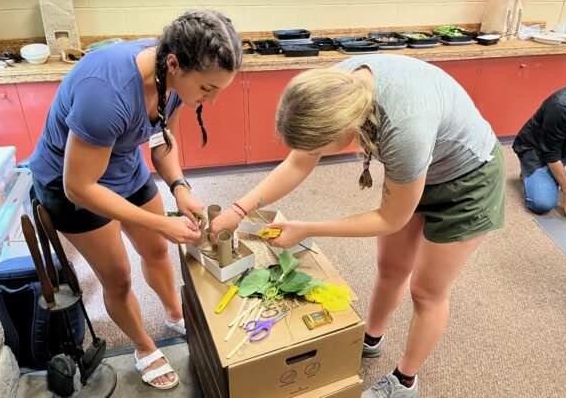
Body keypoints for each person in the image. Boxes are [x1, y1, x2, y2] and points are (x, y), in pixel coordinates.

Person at [211, 54, 505, 398]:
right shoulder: (333, 88)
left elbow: (389, 218)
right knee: (391, 266)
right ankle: (371, 338)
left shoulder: (403, 130)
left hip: (469, 182)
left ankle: (405, 382)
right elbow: (297, 162)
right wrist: (239, 208)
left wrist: (308, 228)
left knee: (427, 291)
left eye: (320, 147)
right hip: (416, 172)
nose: (313, 153)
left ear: (346, 130)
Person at [28, 9, 242, 390]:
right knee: (119, 276)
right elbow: (80, 186)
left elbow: (162, 144)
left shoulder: (171, 80)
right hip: (70, 187)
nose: (210, 100)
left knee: (156, 250)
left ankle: (175, 315)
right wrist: (161, 221)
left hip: (121, 164)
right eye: (208, 89)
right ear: (175, 64)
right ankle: (144, 348)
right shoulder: (105, 93)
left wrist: (180, 187)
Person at [513, 80, 566, 217]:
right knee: (542, 203)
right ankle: (529, 173)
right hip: (538, 150)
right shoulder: (561, 105)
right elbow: (551, 155)